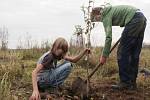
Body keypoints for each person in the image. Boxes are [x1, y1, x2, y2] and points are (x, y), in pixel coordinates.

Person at [91, 5, 147, 90]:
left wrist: (104, 55)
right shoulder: (111, 11)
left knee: (122, 52)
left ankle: (125, 82)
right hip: (141, 18)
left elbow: (108, 37)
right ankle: (132, 83)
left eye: (96, 19)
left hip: (133, 19)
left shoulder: (105, 16)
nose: (99, 21)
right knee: (134, 53)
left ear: (98, 15)